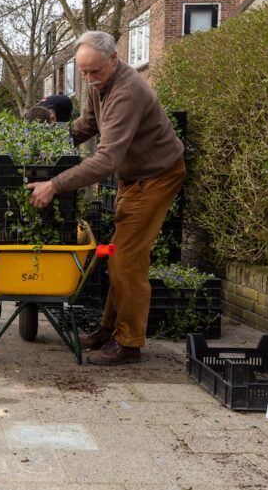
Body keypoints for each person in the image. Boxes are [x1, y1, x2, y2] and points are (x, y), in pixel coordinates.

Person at [27, 30, 186, 366]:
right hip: (135, 176)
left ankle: (128, 344)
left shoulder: (127, 93)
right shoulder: (99, 84)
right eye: (83, 72)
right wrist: (51, 140)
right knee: (119, 254)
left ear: (114, 58)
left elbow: (106, 161)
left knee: (126, 259)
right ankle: (109, 329)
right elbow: (86, 124)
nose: (89, 78)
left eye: (94, 71)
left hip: (157, 176)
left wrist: (55, 184)